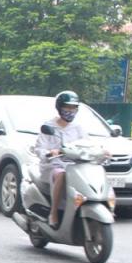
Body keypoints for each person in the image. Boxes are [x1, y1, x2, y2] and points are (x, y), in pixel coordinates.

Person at [34, 90, 88, 229]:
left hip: (73, 166)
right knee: (61, 174)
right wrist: (49, 153)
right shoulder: (49, 126)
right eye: (67, 107)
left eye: (73, 108)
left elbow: (87, 144)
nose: (70, 111)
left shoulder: (78, 128)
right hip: (53, 167)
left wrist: (102, 151)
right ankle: (54, 213)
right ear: (59, 107)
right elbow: (39, 149)